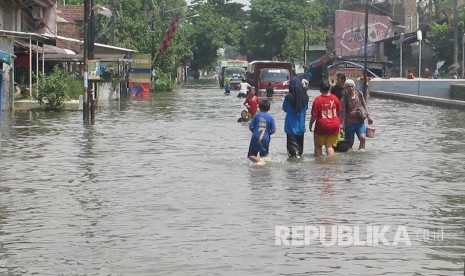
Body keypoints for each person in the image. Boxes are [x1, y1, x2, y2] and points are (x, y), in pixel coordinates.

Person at [309, 79, 341, 157]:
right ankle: (331, 165)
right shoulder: (335, 98)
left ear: (320, 89)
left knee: (318, 146)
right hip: (334, 125)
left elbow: (314, 116)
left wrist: (310, 124)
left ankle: (319, 164)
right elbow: (338, 112)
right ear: (329, 87)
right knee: (329, 146)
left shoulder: (317, 100)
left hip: (321, 126)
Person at [339, 79, 374, 151]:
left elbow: (365, 105)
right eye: (348, 87)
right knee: (350, 143)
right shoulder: (344, 99)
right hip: (349, 123)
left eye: (352, 86)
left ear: (354, 87)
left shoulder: (359, 94)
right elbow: (342, 113)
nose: (350, 88)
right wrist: (341, 127)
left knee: (363, 138)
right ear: (345, 88)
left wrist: (368, 116)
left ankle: (361, 153)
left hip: (360, 122)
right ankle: (351, 160)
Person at [282, 76, 309, 158]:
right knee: (299, 153)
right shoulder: (305, 98)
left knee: (292, 155)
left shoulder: (288, 98)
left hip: (290, 128)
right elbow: (306, 108)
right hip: (301, 128)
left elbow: (285, 108)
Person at [247, 99, 276, 164]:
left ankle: (258, 160)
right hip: (265, 138)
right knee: (264, 157)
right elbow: (274, 130)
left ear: (259, 107)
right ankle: (261, 162)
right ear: (269, 108)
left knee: (251, 155)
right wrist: (268, 134)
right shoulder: (270, 117)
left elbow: (250, 127)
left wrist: (254, 132)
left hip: (255, 137)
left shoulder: (256, 115)